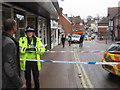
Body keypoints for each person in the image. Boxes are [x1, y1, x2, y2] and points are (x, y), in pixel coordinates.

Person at [2, 18, 26, 89]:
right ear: (13, 27)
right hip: (8, 83)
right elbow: (8, 66)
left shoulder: (3, 39)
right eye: (16, 26)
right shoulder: (9, 43)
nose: (17, 27)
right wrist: (19, 83)